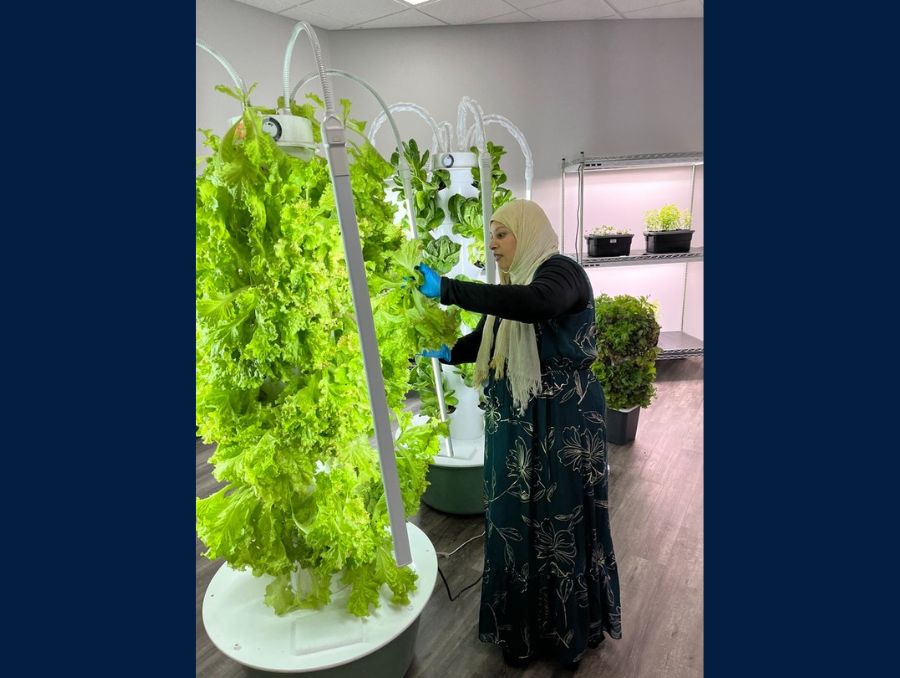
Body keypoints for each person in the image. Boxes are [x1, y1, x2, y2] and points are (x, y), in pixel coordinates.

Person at [415, 199, 622, 671]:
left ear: (527, 234)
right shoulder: (514, 285)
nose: (492, 242)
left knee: (560, 521)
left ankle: (567, 633)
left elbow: (536, 306)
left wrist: (448, 288)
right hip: (515, 424)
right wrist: (449, 351)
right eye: (490, 233)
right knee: (514, 522)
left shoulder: (560, 272)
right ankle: (520, 633)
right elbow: (493, 328)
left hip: (563, 422)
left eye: (502, 233)